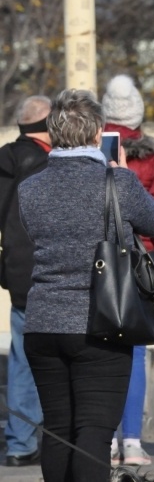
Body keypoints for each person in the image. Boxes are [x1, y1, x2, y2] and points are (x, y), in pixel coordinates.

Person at [17, 89, 154, 482]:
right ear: (99, 132)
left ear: (53, 133)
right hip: (101, 320)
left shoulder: (30, 188)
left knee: (58, 430)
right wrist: (122, 176)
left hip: (43, 322)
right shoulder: (116, 183)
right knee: (94, 433)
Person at [101, 74, 154, 467]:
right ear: (138, 114)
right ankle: (131, 440)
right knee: (134, 351)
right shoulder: (151, 159)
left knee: (98, 350)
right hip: (137, 261)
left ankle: (105, 441)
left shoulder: (91, 153)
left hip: (97, 263)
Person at [0, 96, 50, 467]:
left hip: (16, 270)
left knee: (20, 358)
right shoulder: (49, 162)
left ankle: (19, 444)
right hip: (51, 269)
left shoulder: (5, 158)